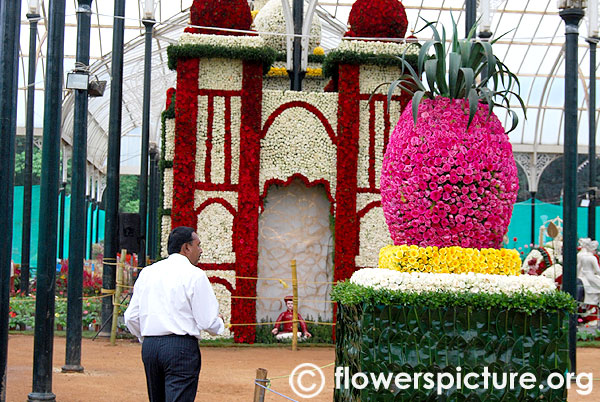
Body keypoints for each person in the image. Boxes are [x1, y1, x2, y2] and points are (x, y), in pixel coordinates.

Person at [125, 226, 224, 402]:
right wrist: (219, 324)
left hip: (150, 346)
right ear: (186, 247)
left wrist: (147, 337)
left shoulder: (148, 272)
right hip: (181, 347)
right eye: (198, 245)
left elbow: (131, 317)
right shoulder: (195, 275)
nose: (200, 250)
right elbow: (207, 321)